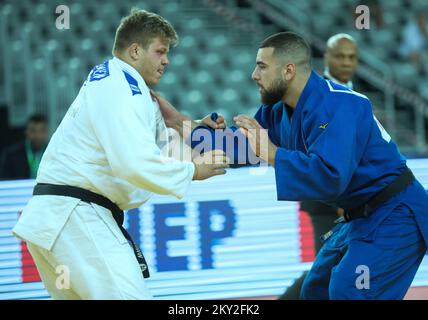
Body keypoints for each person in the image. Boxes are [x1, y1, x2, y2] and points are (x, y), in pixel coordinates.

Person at [155, 32, 428, 299]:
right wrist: (180, 123)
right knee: (315, 291)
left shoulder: (340, 103)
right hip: (360, 216)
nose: (254, 74)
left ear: (288, 70)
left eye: (261, 66)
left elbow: (331, 176)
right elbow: (239, 149)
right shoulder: (277, 110)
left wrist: (273, 154)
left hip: (396, 213)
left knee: (351, 290)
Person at [12, 9, 228, 300]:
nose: (166, 60)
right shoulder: (123, 88)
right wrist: (192, 170)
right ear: (136, 50)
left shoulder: (116, 80)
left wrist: (184, 125)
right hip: (78, 217)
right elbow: (134, 164)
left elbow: (150, 147)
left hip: (60, 218)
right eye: (160, 51)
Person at [279, 32, 359, 300]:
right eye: (340, 56)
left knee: (338, 266)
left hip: (352, 197)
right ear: (326, 57)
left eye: (351, 57)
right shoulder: (316, 95)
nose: (346, 62)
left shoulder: (355, 95)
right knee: (328, 268)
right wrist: (337, 194)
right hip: (327, 199)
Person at [0, 114, 48, 180]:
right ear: (26, 132)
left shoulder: (54, 154)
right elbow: (5, 182)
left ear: (46, 132)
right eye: (33, 131)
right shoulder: (11, 155)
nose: (38, 135)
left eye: (42, 131)